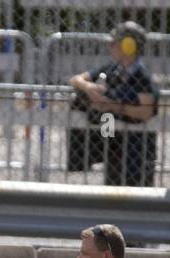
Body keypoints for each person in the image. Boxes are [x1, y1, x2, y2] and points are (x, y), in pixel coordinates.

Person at [68, 21, 159, 187]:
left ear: (128, 46)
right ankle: (83, 160)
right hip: (114, 144)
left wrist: (111, 106)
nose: (110, 46)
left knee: (134, 191)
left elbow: (146, 111)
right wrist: (89, 88)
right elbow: (75, 80)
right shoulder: (112, 69)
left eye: (114, 43)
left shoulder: (142, 76)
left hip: (136, 150)